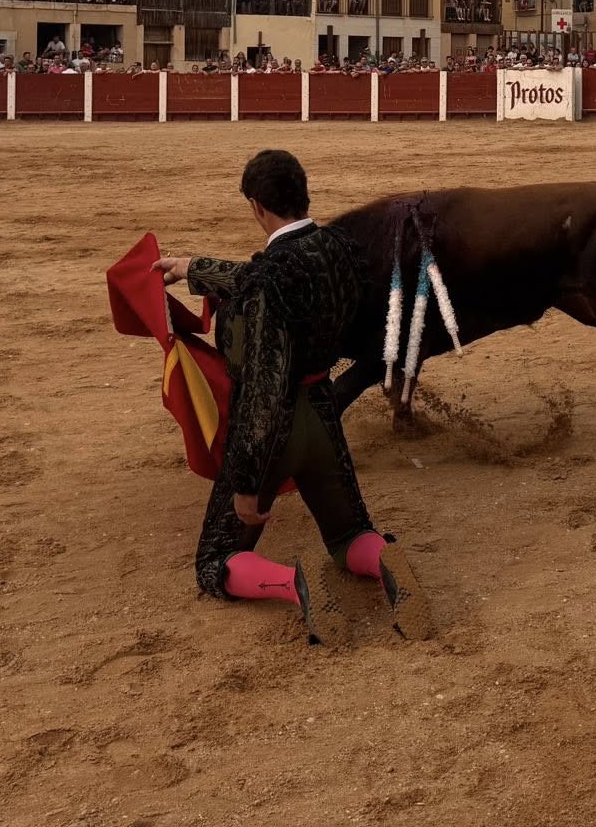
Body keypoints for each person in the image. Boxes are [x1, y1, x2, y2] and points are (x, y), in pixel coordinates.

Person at [154, 149, 428, 645]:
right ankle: (386, 560)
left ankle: (295, 586)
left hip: (275, 428)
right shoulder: (342, 251)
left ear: (257, 207)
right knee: (349, 536)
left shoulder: (269, 283)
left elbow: (262, 387)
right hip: (323, 414)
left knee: (215, 560)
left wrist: (246, 479)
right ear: (304, 195)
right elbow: (276, 279)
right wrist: (194, 267)